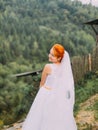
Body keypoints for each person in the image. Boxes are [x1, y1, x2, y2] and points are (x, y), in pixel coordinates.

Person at [22, 43, 77, 130]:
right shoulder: (64, 70)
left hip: (45, 94)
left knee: (40, 119)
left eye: (53, 55)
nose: (50, 56)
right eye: (50, 53)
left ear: (59, 58)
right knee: (56, 120)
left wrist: (41, 96)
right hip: (58, 97)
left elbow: (42, 83)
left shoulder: (48, 67)